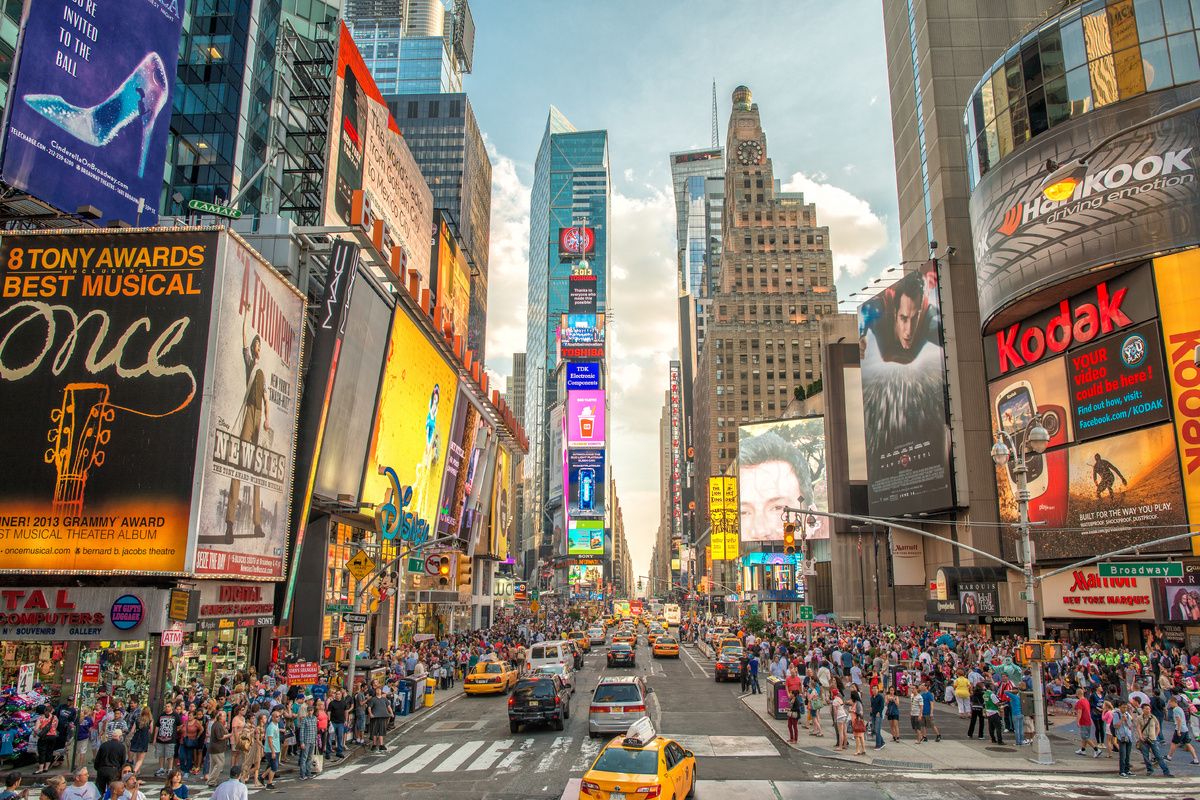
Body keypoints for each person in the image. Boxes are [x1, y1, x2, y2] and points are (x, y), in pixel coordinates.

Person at [1137, 703, 1172, 777]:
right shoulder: (1139, 718)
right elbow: (1138, 727)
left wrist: (1156, 735)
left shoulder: (1153, 717)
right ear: (1143, 709)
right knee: (1146, 756)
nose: (1148, 710)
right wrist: (1140, 736)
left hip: (1152, 739)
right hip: (1144, 739)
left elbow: (1158, 726)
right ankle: (1149, 770)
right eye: (1146, 709)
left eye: (1149, 709)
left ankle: (1166, 771)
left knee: (1158, 755)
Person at [1166, 696, 1200, 764]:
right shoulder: (1180, 708)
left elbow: (1179, 720)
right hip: (1185, 729)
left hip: (1180, 729)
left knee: (1174, 743)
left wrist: (1178, 730)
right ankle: (1195, 759)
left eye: (1170, 703)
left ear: (1173, 702)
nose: (1169, 704)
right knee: (1187, 743)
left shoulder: (1175, 710)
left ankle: (1169, 757)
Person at [153, 704, 180, 777]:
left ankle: (170, 769)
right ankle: (161, 768)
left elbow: (180, 725)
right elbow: (157, 726)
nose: (167, 708)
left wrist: (174, 732)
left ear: (171, 707)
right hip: (160, 738)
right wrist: (155, 738)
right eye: (166, 706)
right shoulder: (161, 715)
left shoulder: (175, 715)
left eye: (168, 706)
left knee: (170, 755)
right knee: (161, 754)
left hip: (170, 739)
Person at [1074, 688, 1101, 757]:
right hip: (1088, 720)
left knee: (1085, 737)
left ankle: (1096, 749)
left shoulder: (1080, 702)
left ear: (1077, 694)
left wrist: (1077, 721)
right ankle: (1083, 750)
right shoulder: (1086, 700)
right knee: (1085, 736)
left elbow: (1079, 713)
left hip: (1084, 721)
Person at [205, 711, 229, 787]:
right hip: (217, 748)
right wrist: (230, 735)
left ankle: (211, 780)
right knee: (219, 764)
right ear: (220, 717)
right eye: (224, 716)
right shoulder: (218, 725)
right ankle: (211, 781)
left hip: (214, 747)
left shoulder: (217, 724)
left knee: (213, 765)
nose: (225, 717)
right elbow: (220, 737)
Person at [32, 707, 58, 775]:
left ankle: (40, 769)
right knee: (49, 752)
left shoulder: (41, 718)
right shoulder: (55, 717)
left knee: (42, 752)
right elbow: (56, 726)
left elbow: (36, 729)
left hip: (44, 737)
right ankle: (46, 768)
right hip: (53, 737)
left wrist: (35, 733)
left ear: (44, 710)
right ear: (51, 711)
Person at [1114, 702, 1135, 778]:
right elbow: (1115, 726)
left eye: (1126, 707)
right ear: (1119, 707)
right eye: (1123, 707)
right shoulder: (1116, 714)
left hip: (1128, 736)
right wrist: (1122, 720)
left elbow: (1130, 726)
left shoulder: (1127, 714)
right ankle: (1122, 771)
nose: (1125, 709)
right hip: (1121, 736)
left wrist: (1127, 720)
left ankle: (1127, 770)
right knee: (1123, 754)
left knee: (1128, 755)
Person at [128, 709, 151, 778]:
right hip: (144, 739)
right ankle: (134, 771)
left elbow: (132, 731)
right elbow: (151, 731)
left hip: (136, 738)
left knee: (134, 756)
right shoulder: (150, 720)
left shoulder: (137, 720)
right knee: (140, 759)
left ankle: (135, 770)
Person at [296, 705, 316, 781]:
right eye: (309, 710)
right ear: (307, 711)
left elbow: (315, 729)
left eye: (311, 710)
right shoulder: (304, 719)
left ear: (313, 711)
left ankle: (308, 773)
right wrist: (302, 742)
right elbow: (301, 732)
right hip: (306, 741)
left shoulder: (314, 718)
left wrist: (315, 740)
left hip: (312, 741)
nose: (310, 712)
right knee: (304, 758)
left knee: (310, 758)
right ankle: (302, 775)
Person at [326, 691, 348, 760]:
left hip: (341, 723)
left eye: (339, 694)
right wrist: (329, 721)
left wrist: (346, 720)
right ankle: (328, 752)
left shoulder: (344, 703)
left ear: (341, 695)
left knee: (340, 738)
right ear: (335, 695)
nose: (338, 695)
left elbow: (346, 712)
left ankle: (339, 752)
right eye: (336, 694)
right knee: (329, 738)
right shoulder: (332, 703)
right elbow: (329, 712)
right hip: (333, 722)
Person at [262, 710, 280, 790]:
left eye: (279, 716)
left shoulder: (276, 724)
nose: (278, 718)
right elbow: (269, 740)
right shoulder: (271, 727)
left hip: (276, 749)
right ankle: (269, 783)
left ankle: (262, 777)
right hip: (271, 750)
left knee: (273, 766)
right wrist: (273, 752)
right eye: (276, 717)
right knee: (274, 768)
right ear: (272, 717)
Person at [870, 685, 885, 750]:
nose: (874, 690)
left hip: (878, 715)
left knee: (877, 730)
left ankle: (878, 745)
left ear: (878, 690)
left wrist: (879, 712)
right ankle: (882, 742)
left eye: (876, 688)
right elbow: (872, 706)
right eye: (873, 688)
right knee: (874, 729)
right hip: (873, 715)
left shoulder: (880, 697)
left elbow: (882, 706)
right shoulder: (872, 697)